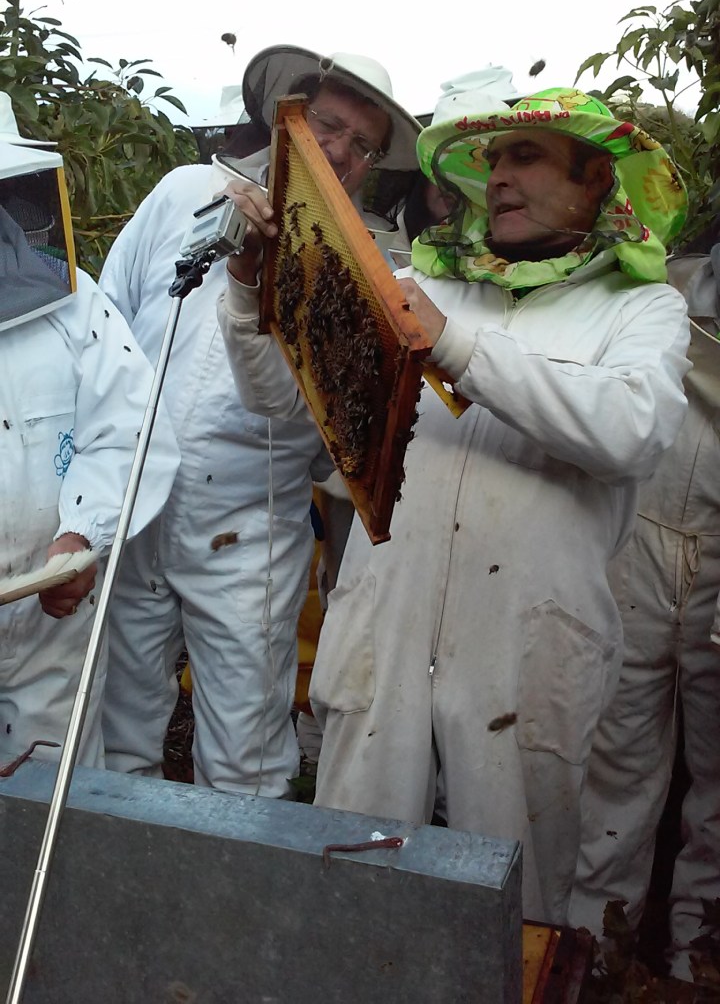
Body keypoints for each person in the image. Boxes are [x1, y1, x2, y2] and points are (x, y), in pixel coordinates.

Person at [217, 83, 690, 922]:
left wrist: (456, 345)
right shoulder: (418, 283)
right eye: (492, 161)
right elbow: (282, 401)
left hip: (529, 640)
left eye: (526, 156)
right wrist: (252, 290)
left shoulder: (641, 308)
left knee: (515, 894)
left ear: (595, 181)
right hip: (385, 614)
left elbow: (633, 429)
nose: (498, 177)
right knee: (352, 872)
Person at [99, 44, 420, 796]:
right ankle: (121, 864)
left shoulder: (362, 266)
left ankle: (237, 873)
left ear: (373, 164)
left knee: (246, 757)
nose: (337, 152)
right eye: (328, 126)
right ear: (290, 117)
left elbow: (306, 414)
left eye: (361, 145)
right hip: (134, 506)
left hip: (248, 532)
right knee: (118, 724)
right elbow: (106, 325)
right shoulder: (187, 192)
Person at [0, 96, 179, 768]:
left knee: (54, 793)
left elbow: (129, 430)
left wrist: (80, 537)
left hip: (50, 618)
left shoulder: (74, 301)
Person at [569, 236, 720, 979]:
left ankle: (697, 954)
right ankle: (596, 945)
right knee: (617, 748)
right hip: (642, 535)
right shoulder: (667, 287)